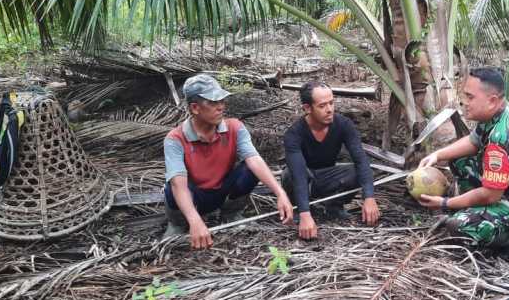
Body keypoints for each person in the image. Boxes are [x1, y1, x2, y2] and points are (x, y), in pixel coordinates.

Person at [416, 67, 509, 255]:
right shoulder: (497, 112)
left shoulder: (503, 137)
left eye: (470, 97)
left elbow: (491, 194)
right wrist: (438, 155)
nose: (463, 102)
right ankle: (476, 210)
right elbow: (473, 141)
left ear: (492, 101)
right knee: (458, 158)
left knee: (460, 226)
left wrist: (445, 203)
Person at [163, 74, 294, 249]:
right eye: (213, 103)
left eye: (222, 101)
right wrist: (194, 220)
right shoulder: (175, 139)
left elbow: (254, 159)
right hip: (192, 196)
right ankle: (178, 224)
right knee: (172, 185)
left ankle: (232, 213)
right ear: (195, 108)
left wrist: (280, 193)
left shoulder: (234, 127)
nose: (221, 107)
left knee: (250, 169)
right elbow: (179, 185)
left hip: (220, 191)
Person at [282, 81, 381, 240]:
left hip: (327, 178)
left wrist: (369, 197)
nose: (329, 110)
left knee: (358, 170)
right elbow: (299, 175)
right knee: (289, 174)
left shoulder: (343, 125)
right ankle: (298, 209)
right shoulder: (294, 134)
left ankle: (333, 206)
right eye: (322, 106)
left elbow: (361, 159)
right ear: (307, 108)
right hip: (303, 180)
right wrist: (305, 214)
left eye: (331, 103)